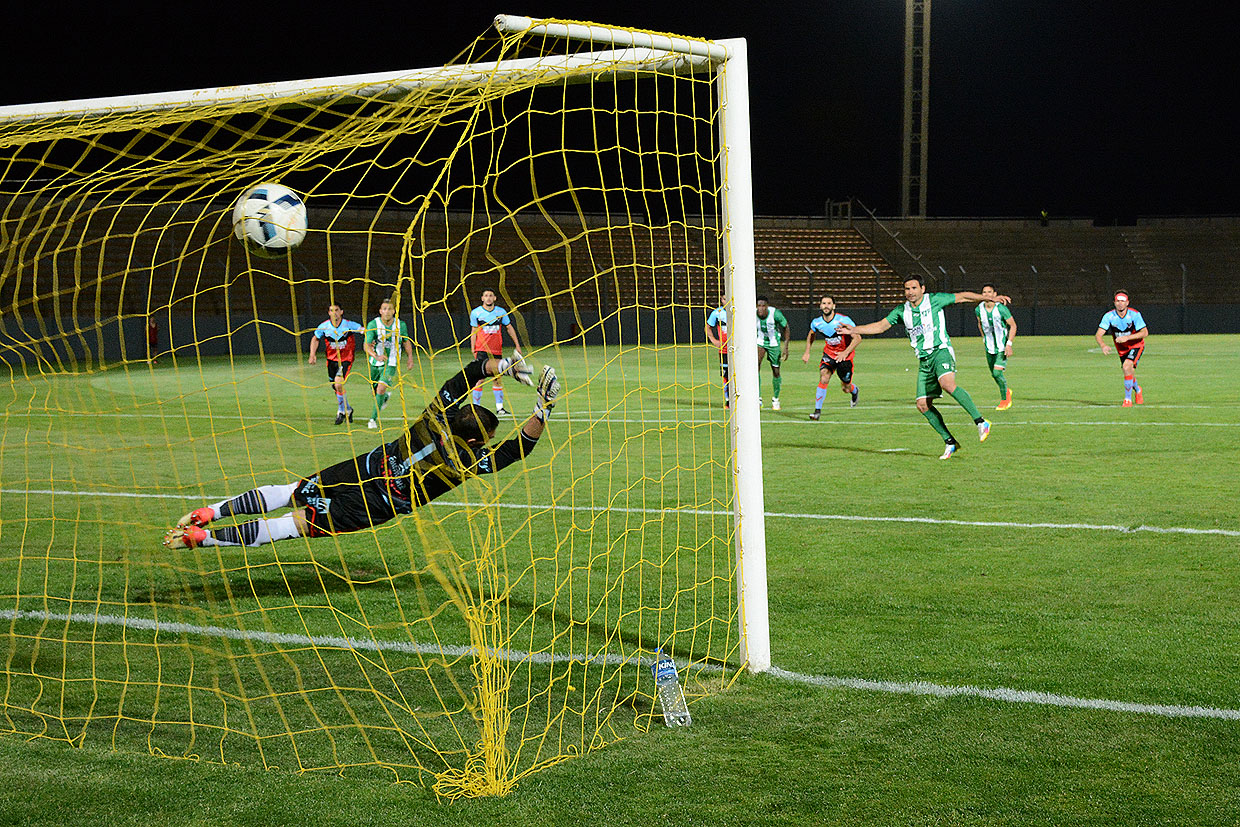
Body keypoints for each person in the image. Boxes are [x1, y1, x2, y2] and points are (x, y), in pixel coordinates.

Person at [163, 357, 560, 550]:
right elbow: (517, 449)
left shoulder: (435, 416)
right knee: (292, 525)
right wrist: (543, 407)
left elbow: (468, 373)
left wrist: (505, 365)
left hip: (369, 465)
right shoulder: (465, 463)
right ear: (476, 442)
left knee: (291, 490)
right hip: (381, 502)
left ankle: (209, 512)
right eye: (489, 438)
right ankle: (203, 539)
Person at [838, 275, 1010, 459]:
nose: (910, 292)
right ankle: (950, 442)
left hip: (940, 350)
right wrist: (854, 330)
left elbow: (962, 296)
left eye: (913, 288)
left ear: (922, 288)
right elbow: (880, 326)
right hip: (924, 359)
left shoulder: (934, 300)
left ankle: (981, 422)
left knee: (947, 383)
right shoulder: (901, 311)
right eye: (907, 289)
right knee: (922, 405)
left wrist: (987, 298)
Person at [800, 295, 859, 419]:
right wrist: (807, 352)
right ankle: (817, 411)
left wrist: (845, 352)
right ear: (820, 306)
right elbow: (811, 335)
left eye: (828, 303)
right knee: (824, 377)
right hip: (829, 354)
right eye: (823, 303)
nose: (826, 306)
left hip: (845, 357)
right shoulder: (816, 322)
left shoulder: (844, 321)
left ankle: (854, 390)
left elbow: (857, 338)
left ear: (834, 306)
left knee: (846, 388)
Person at [308, 304, 365, 424]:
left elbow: (363, 330)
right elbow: (315, 338)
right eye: (331, 310)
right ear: (328, 312)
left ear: (341, 312)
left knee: (339, 383)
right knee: (336, 387)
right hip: (331, 361)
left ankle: (341, 411)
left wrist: (370, 338)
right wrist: (312, 354)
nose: (334, 313)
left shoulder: (349, 325)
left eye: (337, 310)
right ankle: (348, 409)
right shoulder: (324, 326)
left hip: (346, 359)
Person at [469, 289, 523, 416]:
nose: (488, 298)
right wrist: (473, 348)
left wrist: (517, 345)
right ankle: (475, 408)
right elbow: (474, 331)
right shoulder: (476, 313)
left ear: (495, 298)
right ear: (482, 298)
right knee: (480, 379)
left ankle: (500, 409)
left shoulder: (501, 312)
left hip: (496, 350)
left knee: (497, 378)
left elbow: (509, 328)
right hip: (482, 350)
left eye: (491, 296)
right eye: (486, 296)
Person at [364, 298, 415, 429]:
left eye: (390, 309)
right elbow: (367, 345)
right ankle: (385, 397)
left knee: (381, 388)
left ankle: (373, 419)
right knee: (375, 391)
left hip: (391, 361)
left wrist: (410, 357)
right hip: (375, 362)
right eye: (384, 309)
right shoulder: (373, 324)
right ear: (380, 311)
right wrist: (376, 355)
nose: (387, 311)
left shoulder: (400, 325)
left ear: (394, 311)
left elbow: (406, 341)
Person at [1095, 290, 1148, 406]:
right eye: (1118, 301)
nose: (1120, 303)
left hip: (1136, 345)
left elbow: (1145, 332)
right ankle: (1138, 390)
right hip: (1122, 349)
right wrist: (1103, 345)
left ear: (1127, 303)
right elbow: (1098, 334)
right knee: (1128, 371)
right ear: (1114, 303)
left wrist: (1127, 338)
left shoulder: (1134, 315)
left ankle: (1127, 400)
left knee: (1126, 366)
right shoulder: (1109, 316)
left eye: (1122, 301)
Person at [975, 284, 1017, 410]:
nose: (987, 294)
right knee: (994, 375)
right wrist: (984, 338)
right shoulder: (978, 309)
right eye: (984, 292)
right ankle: (1007, 391)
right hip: (989, 347)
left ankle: (1005, 399)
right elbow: (980, 324)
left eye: (989, 292)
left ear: (994, 294)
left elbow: (1013, 326)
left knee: (997, 372)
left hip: (1001, 347)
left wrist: (1009, 344)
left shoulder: (1001, 309)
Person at [755, 296, 789, 410]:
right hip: (759, 342)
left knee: (775, 371)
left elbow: (786, 326)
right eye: (759, 305)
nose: (761, 308)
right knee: (755, 367)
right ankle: (757, 398)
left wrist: (786, 346)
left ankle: (776, 399)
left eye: (763, 305)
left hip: (774, 343)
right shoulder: (752, 314)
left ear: (767, 306)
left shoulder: (775, 314)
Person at [704, 299, 730, 408]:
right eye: (724, 298)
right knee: (726, 375)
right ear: (721, 299)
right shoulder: (717, 313)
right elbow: (707, 327)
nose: (726, 300)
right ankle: (728, 400)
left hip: (738, 349)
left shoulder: (739, 310)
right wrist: (714, 341)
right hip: (724, 349)